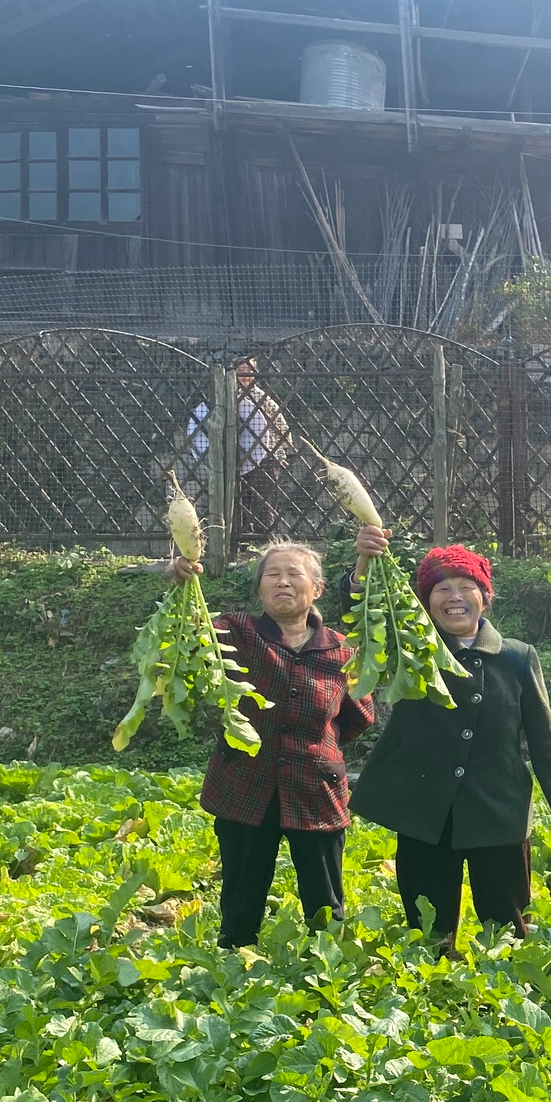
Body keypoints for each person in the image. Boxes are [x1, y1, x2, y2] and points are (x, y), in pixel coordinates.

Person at [344, 530, 551, 946]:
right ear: (425, 601)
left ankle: (504, 989)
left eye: (466, 586)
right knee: (428, 924)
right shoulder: (409, 648)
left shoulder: (516, 656)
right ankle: (436, 989)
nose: (454, 597)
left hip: (498, 805)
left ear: (485, 597)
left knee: (505, 920)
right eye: (441, 589)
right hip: (426, 808)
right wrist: (363, 566)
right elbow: (366, 616)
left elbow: (544, 733)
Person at [167, 541, 374, 947]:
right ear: (260, 589)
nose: (283, 582)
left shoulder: (340, 649)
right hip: (245, 783)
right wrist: (179, 584)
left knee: (325, 898)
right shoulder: (233, 632)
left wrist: (318, 747)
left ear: (315, 589)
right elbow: (186, 638)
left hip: (315, 788)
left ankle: (325, 966)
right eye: (272, 575)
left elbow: (358, 714)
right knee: (241, 893)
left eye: (294, 574)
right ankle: (234, 961)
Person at [187, 358, 291, 543]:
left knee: (263, 504)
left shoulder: (263, 399)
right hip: (233, 460)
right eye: (241, 371)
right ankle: (237, 542)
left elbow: (280, 431)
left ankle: (263, 543)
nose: (245, 376)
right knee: (236, 503)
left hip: (265, 459)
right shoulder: (223, 398)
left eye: (249, 371)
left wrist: (280, 456)